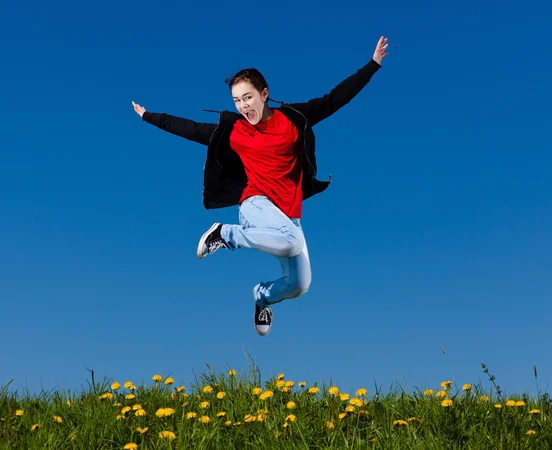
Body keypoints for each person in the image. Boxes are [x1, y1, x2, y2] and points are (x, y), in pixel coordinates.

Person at [132, 36, 389, 336]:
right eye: (237, 101)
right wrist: (149, 116)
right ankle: (224, 233)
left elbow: (335, 98)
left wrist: (372, 66)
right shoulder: (235, 132)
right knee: (291, 241)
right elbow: (190, 129)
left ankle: (261, 297)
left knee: (300, 285)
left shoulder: (293, 120)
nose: (243, 107)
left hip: (288, 217)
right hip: (255, 206)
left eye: (248, 98)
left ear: (264, 94)